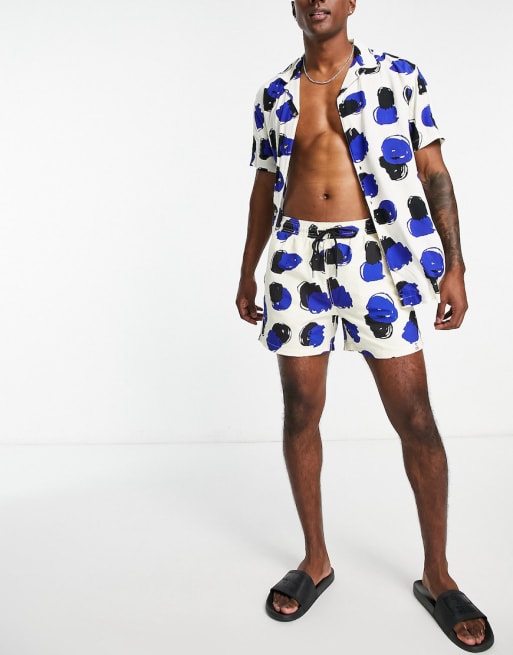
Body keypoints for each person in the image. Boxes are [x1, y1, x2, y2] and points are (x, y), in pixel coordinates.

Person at [235, 0, 493, 651]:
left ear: (351, 3)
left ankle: (438, 575)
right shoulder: (273, 93)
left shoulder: (399, 76)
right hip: (296, 258)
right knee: (300, 411)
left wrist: (455, 266)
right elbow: (264, 185)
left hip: (376, 258)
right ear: (293, 5)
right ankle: (315, 559)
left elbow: (432, 170)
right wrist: (248, 271)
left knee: (415, 418)